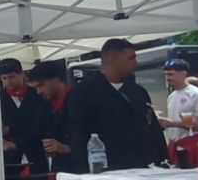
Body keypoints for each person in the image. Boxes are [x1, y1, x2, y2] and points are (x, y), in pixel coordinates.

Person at [63, 40, 168, 171]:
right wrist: (82, 170)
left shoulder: (138, 91)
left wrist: (162, 159)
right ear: (113, 58)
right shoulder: (84, 91)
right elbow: (78, 133)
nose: (135, 63)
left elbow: (152, 127)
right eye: (131, 58)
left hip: (142, 166)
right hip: (107, 167)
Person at [0, 58, 52, 177]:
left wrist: (17, 143)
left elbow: (43, 124)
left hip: (36, 152)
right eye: (4, 78)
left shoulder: (37, 94)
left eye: (11, 77)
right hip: (9, 159)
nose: (8, 82)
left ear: (22, 74)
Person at [27, 60, 84, 174]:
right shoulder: (44, 107)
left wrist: (66, 148)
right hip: (59, 169)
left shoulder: (80, 100)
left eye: (41, 85)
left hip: (82, 169)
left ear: (56, 79)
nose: (38, 91)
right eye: (35, 87)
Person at [160, 58, 198, 166]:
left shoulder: (197, 94)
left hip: (193, 146)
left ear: (183, 74)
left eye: (171, 74)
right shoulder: (171, 96)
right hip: (175, 147)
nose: (167, 78)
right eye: (166, 75)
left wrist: (172, 124)